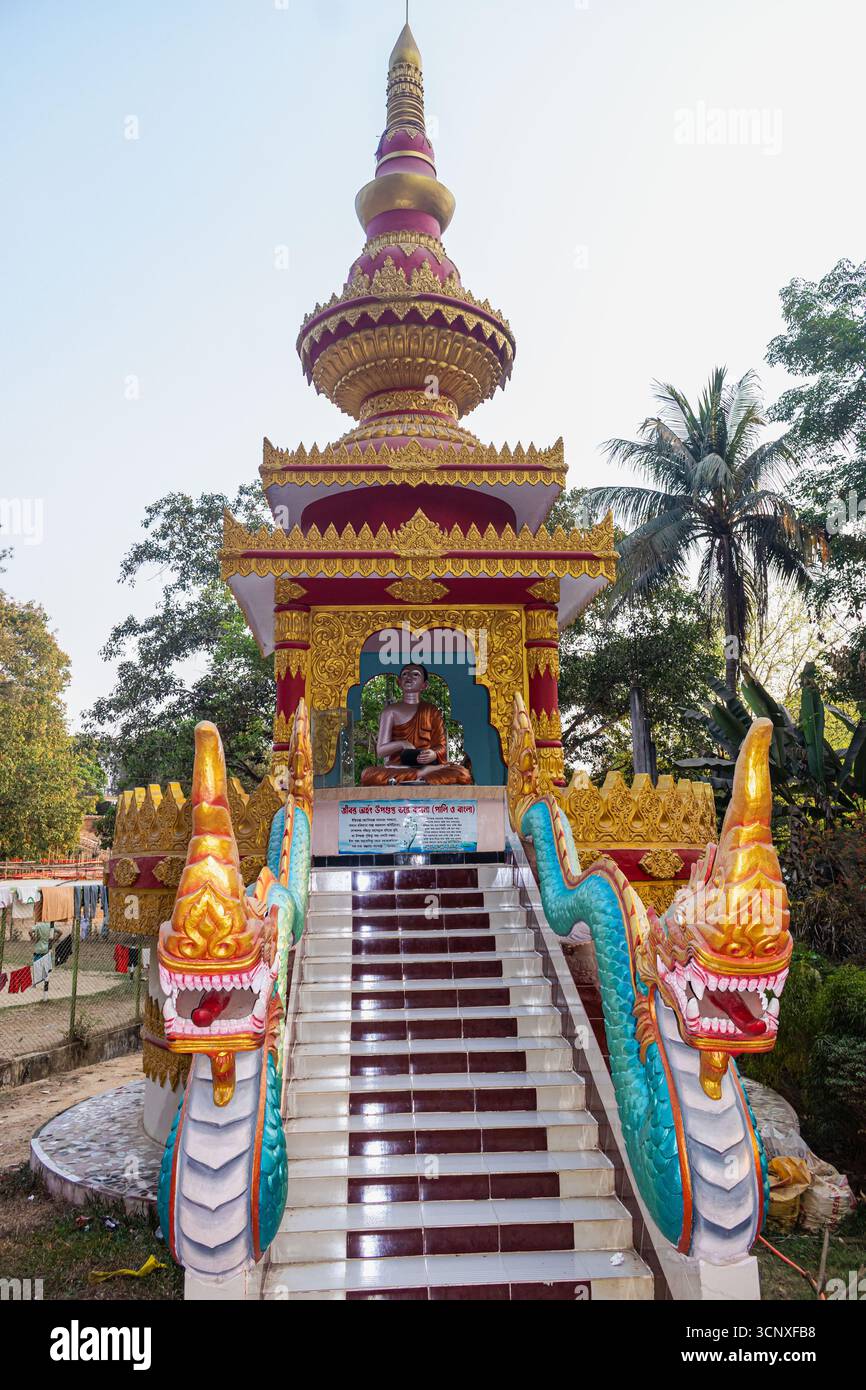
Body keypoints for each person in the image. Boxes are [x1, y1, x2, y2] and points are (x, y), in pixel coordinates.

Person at [361, 664, 473, 786]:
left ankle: (418, 775)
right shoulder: (390, 711)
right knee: (368, 774)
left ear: (424, 685)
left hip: (427, 765)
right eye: (405, 674)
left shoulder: (432, 711)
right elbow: (381, 750)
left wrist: (433, 753)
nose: (409, 677)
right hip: (399, 767)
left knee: (463, 773)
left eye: (415, 674)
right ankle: (422, 776)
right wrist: (402, 744)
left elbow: (441, 746)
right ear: (399, 682)